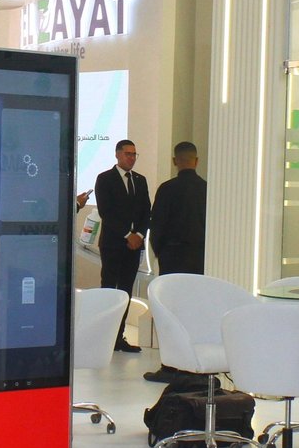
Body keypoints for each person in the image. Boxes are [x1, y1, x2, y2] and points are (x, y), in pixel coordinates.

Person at [78, 138, 149, 352]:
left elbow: (146, 211)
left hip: (134, 246)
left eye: (134, 154)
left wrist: (138, 235)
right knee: (109, 290)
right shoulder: (105, 179)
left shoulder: (140, 180)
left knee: (126, 291)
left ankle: (119, 337)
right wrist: (128, 234)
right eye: (128, 153)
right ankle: (104, 337)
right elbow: (107, 212)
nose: (131, 158)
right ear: (117, 154)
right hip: (113, 244)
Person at [148, 141, 206, 276]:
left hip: (171, 256)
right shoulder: (206, 188)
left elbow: (157, 224)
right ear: (196, 161)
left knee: (171, 295)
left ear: (175, 161)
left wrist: (160, 252)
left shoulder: (166, 189)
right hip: (199, 255)